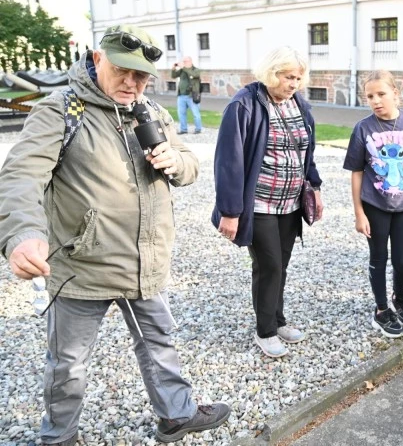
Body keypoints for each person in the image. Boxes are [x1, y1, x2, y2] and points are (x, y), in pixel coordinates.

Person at [0, 24, 230, 445]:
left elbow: (190, 165)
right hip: (81, 268)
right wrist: (22, 234)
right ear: (97, 58)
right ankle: (59, 437)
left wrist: (175, 162)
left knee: (159, 341)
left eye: (141, 76)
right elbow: (20, 175)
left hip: (145, 263)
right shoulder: (61, 109)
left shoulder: (151, 111)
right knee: (68, 363)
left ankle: (176, 416)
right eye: (123, 71)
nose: (131, 83)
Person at [213, 46, 324, 358]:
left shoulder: (298, 103)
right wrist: (230, 211)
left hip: (290, 202)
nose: (294, 83)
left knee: (281, 264)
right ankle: (264, 331)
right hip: (259, 202)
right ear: (272, 72)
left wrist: (314, 186)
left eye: (299, 78)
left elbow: (307, 150)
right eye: (289, 77)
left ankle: (277, 320)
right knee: (269, 264)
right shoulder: (244, 104)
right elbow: (229, 162)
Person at [344, 70, 403, 338]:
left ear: (396, 94)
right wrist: (359, 213)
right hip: (375, 206)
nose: (375, 100)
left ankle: (399, 297)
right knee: (379, 258)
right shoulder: (364, 128)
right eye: (370, 96)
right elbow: (357, 172)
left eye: (381, 94)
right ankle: (381, 309)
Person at [172, 56, 203, 134]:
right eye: (183, 61)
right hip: (181, 96)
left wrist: (184, 68)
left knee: (196, 114)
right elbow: (174, 76)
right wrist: (173, 68)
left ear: (190, 61)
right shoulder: (182, 70)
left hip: (191, 96)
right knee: (181, 113)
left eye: (185, 61)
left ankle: (198, 129)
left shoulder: (196, 70)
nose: (184, 63)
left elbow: (193, 74)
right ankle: (183, 129)